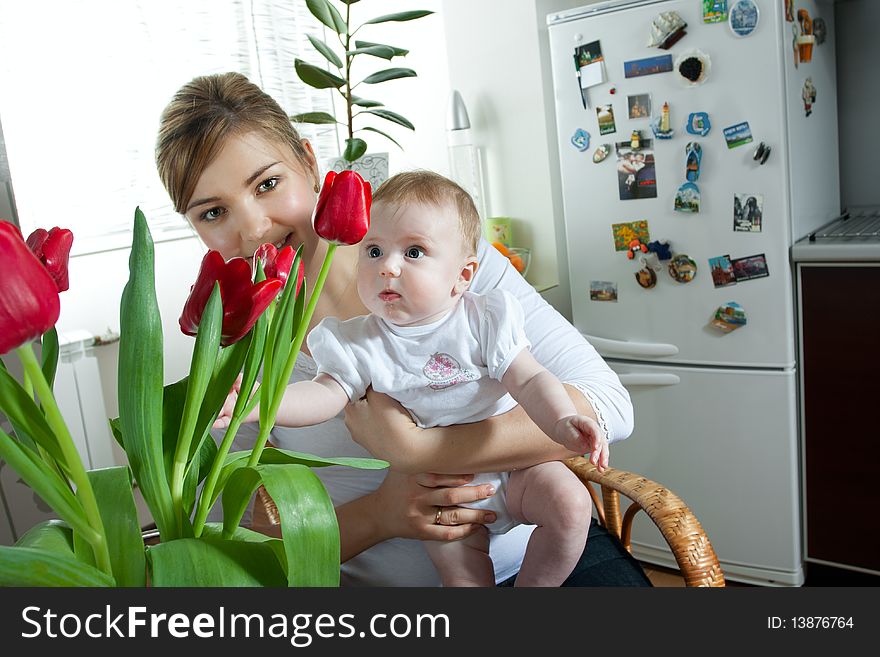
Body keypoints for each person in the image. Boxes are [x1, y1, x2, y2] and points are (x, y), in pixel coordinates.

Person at [156, 71, 644, 586]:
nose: (253, 228)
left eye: (268, 184)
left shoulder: (444, 261)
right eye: (213, 212)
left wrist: (417, 450)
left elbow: (608, 406)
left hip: (535, 561)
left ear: (307, 160)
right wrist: (383, 514)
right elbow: (245, 539)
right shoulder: (238, 348)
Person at [220, 171, 607, 586]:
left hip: (514, 471)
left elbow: (530, 381)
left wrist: (562, 420)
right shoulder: (357, 341)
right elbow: (323, 395)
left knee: (571, 505)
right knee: (461, 577)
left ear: (462, 275)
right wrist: (263, 403)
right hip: (435, 493)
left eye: (414, 252)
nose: (387, 267)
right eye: (373, 251)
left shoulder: (485, 318)